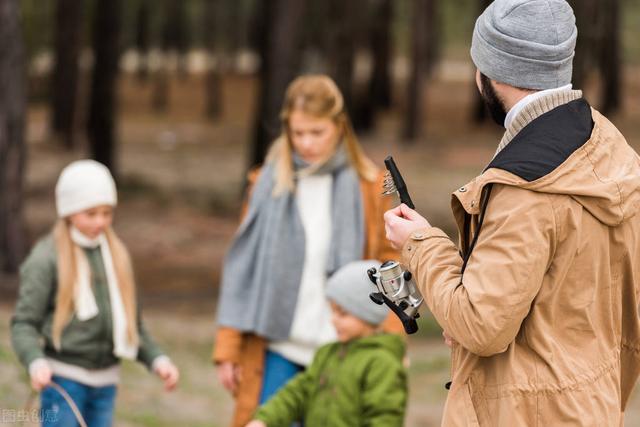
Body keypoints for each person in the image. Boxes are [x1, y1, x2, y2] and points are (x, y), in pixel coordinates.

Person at [384, 0, 640, 425]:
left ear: (491, 72)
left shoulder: (525, 186)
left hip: (526, 413)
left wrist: (420, 244)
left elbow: (480, 326)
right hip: (590, 404)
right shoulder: (609, 147)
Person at [213, 75, 402, 427]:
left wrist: (390, 335)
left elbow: (391, 265)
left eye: (317, 132)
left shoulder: (370, 186)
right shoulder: (265, 184)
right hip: (276, 347)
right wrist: (228, 348)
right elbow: (243, 267)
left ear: (339, 126)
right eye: (297, 133)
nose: (307, 143)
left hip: (344, 346)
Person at [11, 160, 179, 427]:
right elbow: (24, 323)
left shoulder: (117, 255)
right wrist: (35, 361)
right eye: (90, 213)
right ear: (68, 211)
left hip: (106, 384)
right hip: (62, 382)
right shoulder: (46, 259)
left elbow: (131, 324)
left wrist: (157, 359)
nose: (100, 221)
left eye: (106, 213)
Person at [245, 260, 407, 427]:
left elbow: (385, 418)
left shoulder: (382, 363)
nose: (333, 320)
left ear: (368, 314)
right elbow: (297, 393)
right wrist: (264, 419)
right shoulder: (327, 354)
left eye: (342, 314)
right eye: (333, 311)